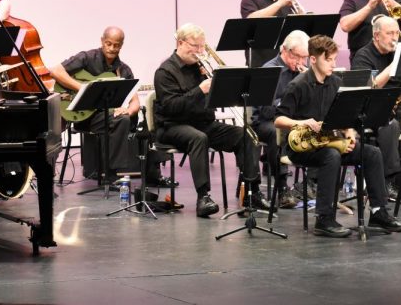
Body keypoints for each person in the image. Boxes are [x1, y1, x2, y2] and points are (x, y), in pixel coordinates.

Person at [275, 35, 401, 237]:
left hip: (329, 141)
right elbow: (278, 119)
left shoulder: (336, 83)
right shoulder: (298, 85)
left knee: (371, 153)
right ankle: (324, 218)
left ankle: (378, 212)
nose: (333, 64)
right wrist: (302, 123)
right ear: (313, 59)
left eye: (334, 59)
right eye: (328, 60)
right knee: (331, 156)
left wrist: (349, 133)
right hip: (302, 147)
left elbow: (345, 116)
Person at [153, 23, 268, 217]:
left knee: (246, 135)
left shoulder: (200, 69)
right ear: (180, 43)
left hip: (202, 123)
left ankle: (251, 191)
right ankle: (203, 197)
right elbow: (171, 107)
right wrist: (200, 90)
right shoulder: (165, 72)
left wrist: (219, 86)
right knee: (198, 138)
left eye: (202, 47)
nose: (199, 52)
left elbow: (214, 103)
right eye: (195, 46)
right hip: (172, 126)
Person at [50, 26, 171, 187]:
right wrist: (83, 89)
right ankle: (111, 174)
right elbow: (55, 71)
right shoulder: (87, 58)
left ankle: (128, 175)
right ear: (102, 41)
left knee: (130, 121)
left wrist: (129, 110)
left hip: (104, 116)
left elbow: (134, 100)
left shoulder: (123, 70)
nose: (112, 48)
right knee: (120, 121)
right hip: (81, 115)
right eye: (109, 44)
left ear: (121, 45)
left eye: (116, 45)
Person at [350, 15, 401, 199]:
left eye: (397, 32)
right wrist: (394, 65)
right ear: (377, 35)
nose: (395, 37)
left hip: (397, 107)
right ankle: (390, 180)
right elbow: (369, 88)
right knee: (391, 125)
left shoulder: (397, 52)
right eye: (390, 33)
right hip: (370, 108)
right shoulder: (363, 55)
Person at [259, 30, 310, 208]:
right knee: (276, 133)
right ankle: (281, 188)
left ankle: (312, 183)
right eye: (298, 57)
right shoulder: (270, 71)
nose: (302, 62)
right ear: (286, 51)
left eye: (306, 58)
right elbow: (265, 110)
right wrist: (288, 106)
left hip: (293, 120)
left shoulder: (303, 72)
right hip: (266, 122)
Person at [240, 0, 298, 67]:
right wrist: (280, 3)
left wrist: (300, 13)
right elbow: (251, 19)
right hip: (260, 60)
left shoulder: (287, 1)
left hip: (286, 60)